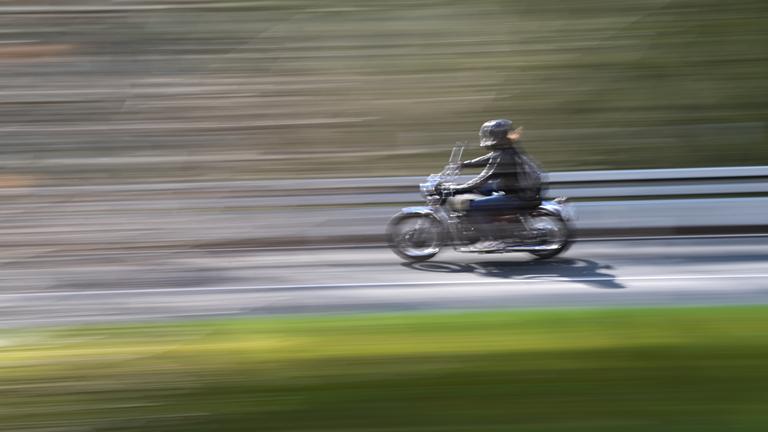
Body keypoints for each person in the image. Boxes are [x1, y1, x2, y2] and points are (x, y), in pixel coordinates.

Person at [440, 119, 544, 251]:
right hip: (516, 189)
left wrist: (456, 189)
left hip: (520, 196)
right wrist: (464, 164)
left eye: (489, 135)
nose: (486, 138)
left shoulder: (505, 155)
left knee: (472, 206)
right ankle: (492, 225)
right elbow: (488, 159)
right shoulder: (505, 151)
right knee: (481, 191)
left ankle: (490, 240)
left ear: (496, 136)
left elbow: (484, 177)